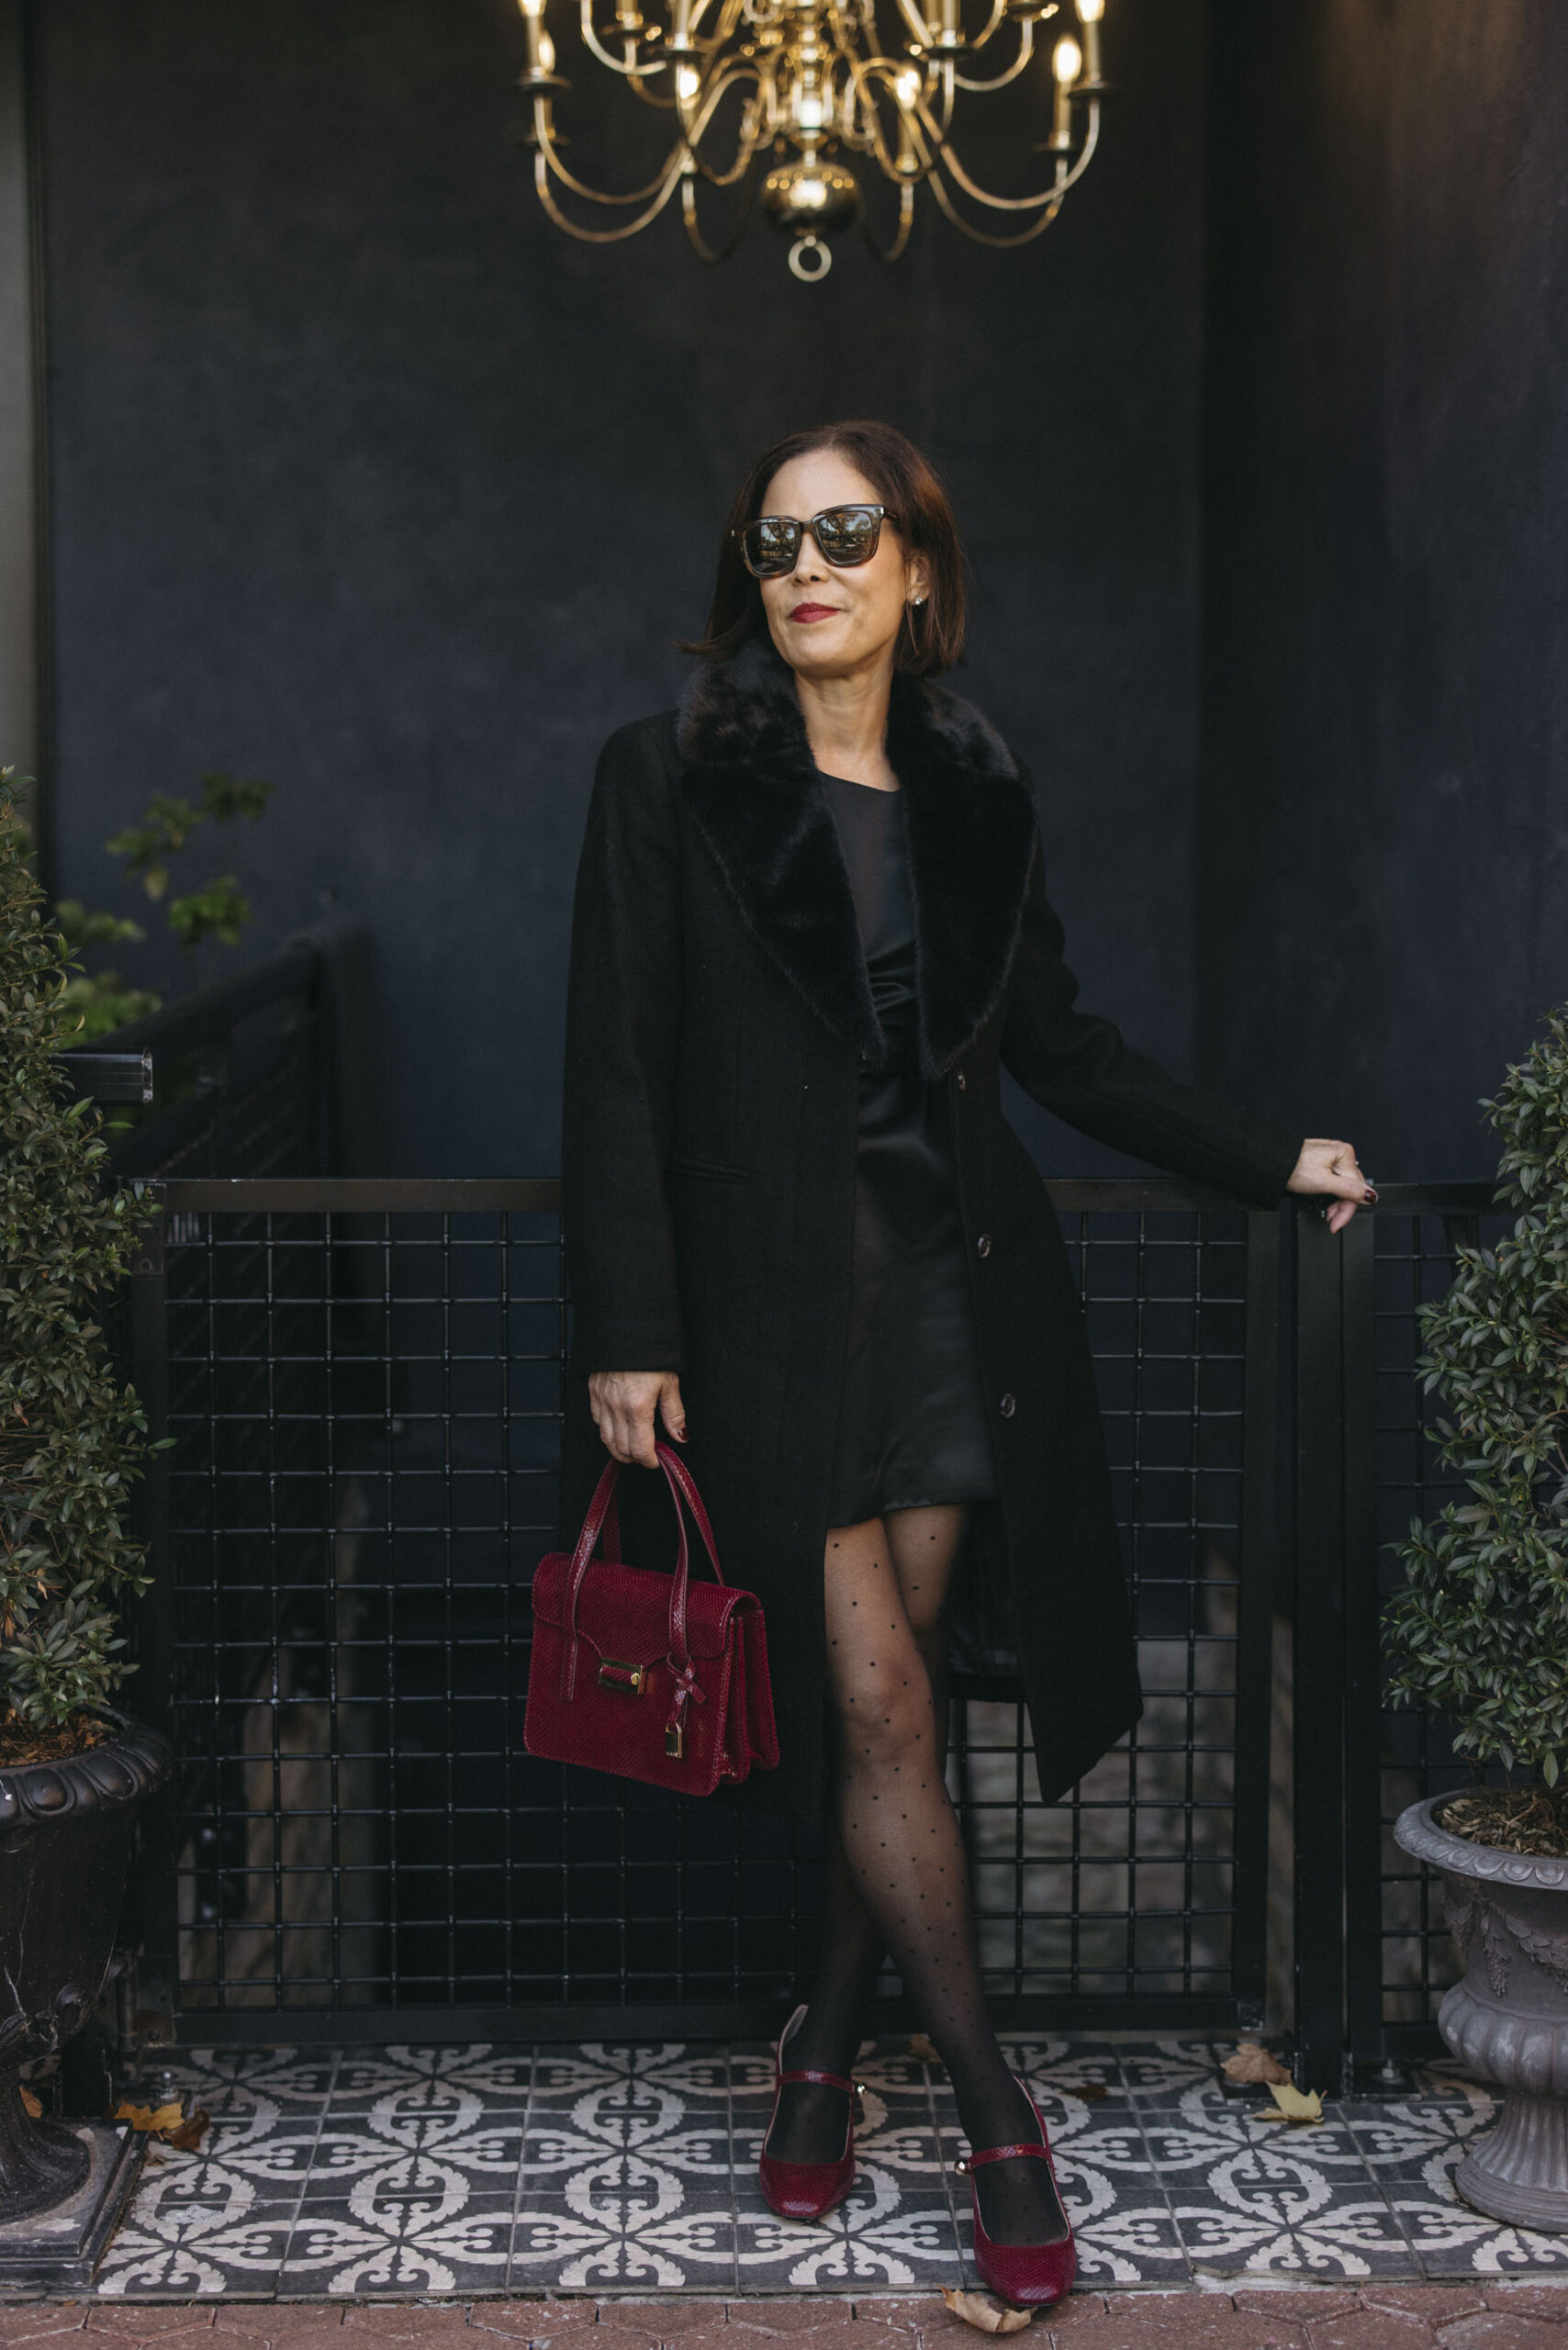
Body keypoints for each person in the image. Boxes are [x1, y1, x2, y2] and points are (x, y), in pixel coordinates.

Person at [560, 420, 1372, 2306]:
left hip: (946, 1294)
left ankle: (824, 2051)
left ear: (915, 568)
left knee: (889, 1706)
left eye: (845, 531)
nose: (805, 563)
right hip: (766, 1318)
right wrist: (626, 1324)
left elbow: (1062, 1046)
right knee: (888, 1714)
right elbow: (614, 1057)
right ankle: (1002, 2124)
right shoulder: (664, 775)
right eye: (773, 538)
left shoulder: (978, 790)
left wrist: (1270, 1154)